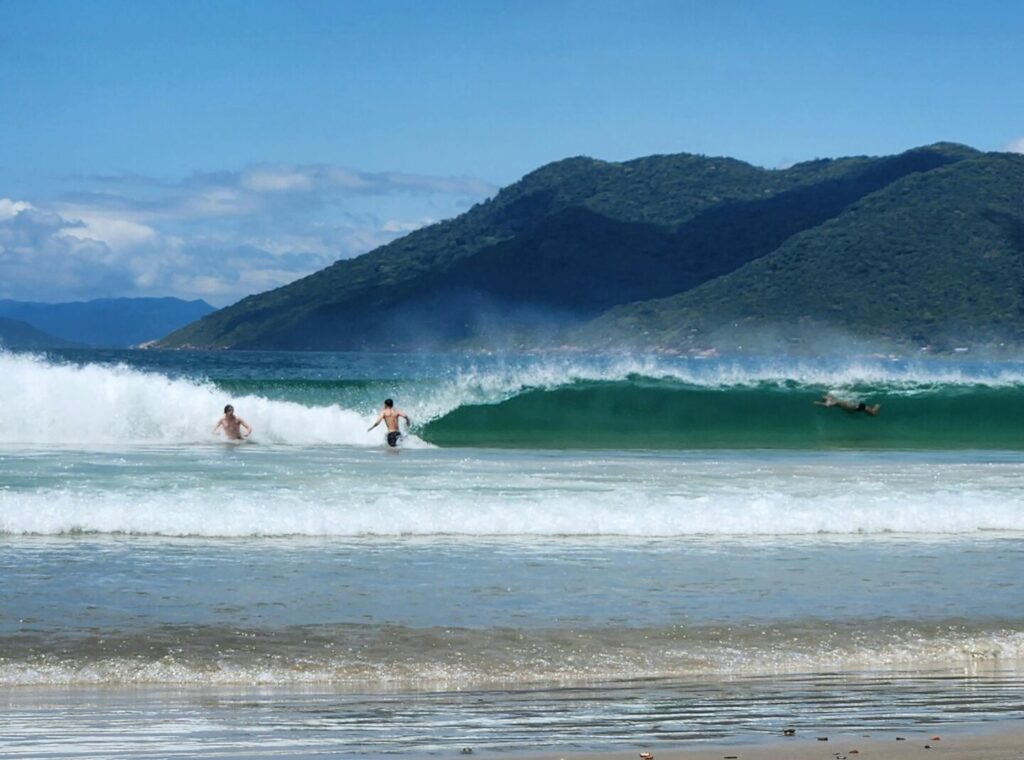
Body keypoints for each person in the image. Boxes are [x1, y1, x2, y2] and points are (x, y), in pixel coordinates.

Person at [814, 393, 880, 416]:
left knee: (872, 413)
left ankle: (878, 405)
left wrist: (818, 403)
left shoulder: (835, 401)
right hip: (854, 407)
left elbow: (827, 405)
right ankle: (876, 406)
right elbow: (827, 404)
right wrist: (820, 402)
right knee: (871, 413)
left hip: (855, 406)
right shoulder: (835, 400)